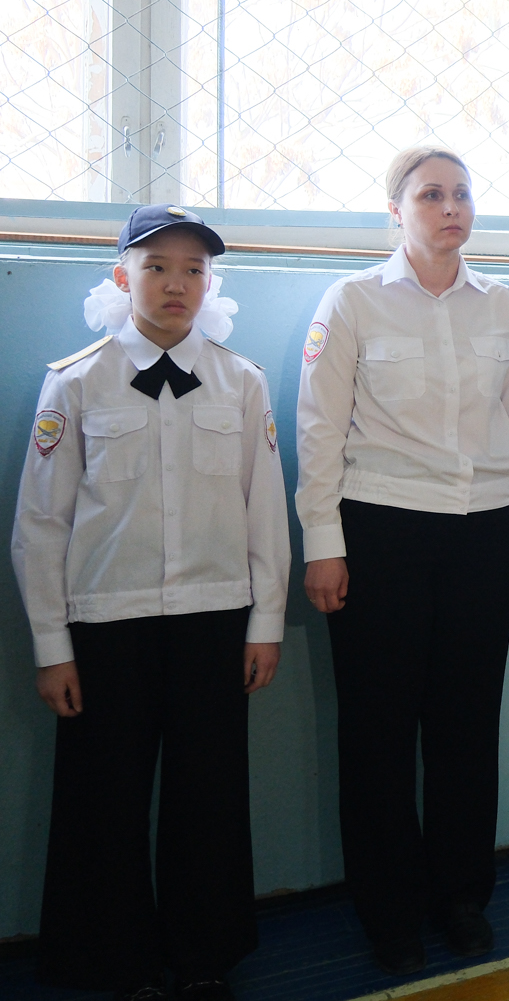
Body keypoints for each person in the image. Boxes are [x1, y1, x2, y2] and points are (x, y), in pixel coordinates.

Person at [12, 206, 288, 1000]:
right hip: (107, 623)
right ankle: (116, 962)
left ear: (210, 282)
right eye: (157, 265)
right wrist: (53, 646)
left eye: (194, 268)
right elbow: (40, 525)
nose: (177, 282)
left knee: (209, 795)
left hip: (213, 618)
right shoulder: (76, 381)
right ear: (121, 276)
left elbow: (265, 511)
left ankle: (204, 956)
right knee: (105, 800)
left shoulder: (242, 381)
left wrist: (265, 622)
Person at [296, 148, 509, 977]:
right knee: (378, 730)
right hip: (382, 532)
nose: (451, 207)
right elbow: (317, 430)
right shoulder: (353, 301)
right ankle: (390, 911)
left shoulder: (499, 303)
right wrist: (324, 544)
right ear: (396, 211)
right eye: (431, 194)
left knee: (465, 724)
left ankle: (460, 896)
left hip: (483, 532)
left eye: (462, 193)